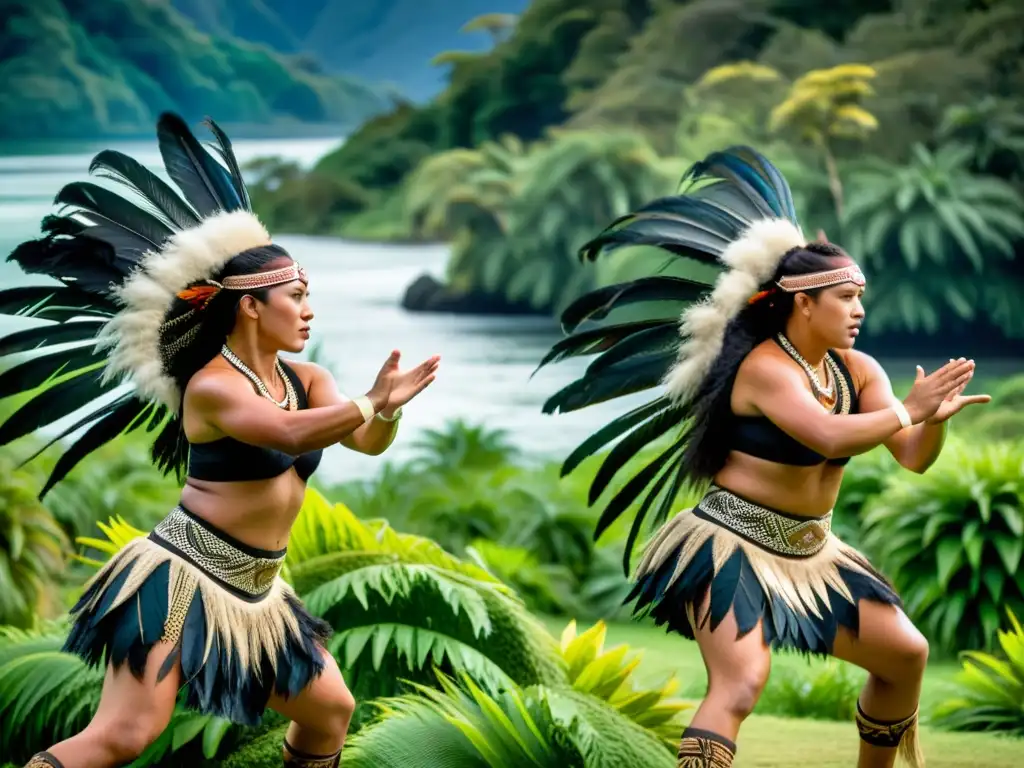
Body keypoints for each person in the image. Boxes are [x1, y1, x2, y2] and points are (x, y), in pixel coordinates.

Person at [4, 112, 439, 768]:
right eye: (296, 295)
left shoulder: (309, 377)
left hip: (259, 593)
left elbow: (363, 443)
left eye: (310, 294)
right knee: (123, 737)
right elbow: (288, 432)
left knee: (329, 712)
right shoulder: (211, 387)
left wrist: (388, 412)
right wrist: (369, 400)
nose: (309, 309)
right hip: (181, 579)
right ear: (252, 306)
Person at [537, 147, 990, 768]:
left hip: (812, 551)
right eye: (846, 297)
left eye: (862, 297)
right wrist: (909, 408)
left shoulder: (858, 370)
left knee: (905, 656)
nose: (859, 311)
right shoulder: (766, 370)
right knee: (741, 682)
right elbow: (828, 438)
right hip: (730, 547)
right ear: (804, 302)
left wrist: (929, 421)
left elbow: (911, 455)